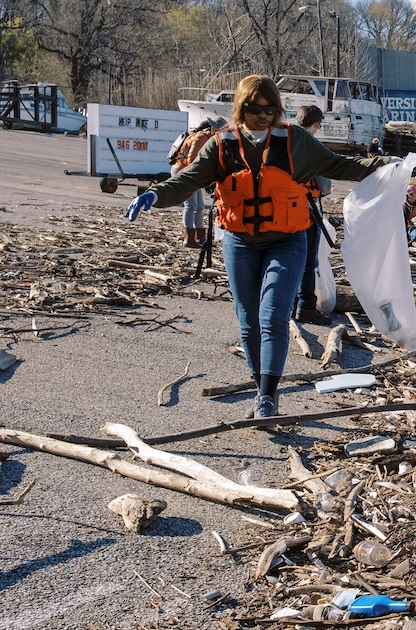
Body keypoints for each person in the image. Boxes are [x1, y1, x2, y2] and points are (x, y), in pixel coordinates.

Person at [124, 75, 392, 419]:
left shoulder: (296, 141)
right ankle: (258, 387)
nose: (264, 115)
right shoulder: (222, 145)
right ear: (242, 108)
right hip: (240, 243)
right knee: (248, 320)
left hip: (287, 241)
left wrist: (389, 166)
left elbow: (342, 166)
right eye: (255, 109)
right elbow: (187, 180)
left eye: (270, 109)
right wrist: (154, 194)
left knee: (273, 316)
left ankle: (267, 396)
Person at [293, 105, 333, 326]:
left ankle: (287, 305)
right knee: (308, 260)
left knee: (286, 258)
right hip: (306, 210)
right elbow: (324, 186)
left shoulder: (281, 140)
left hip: (279, 210)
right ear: (316, 124)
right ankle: (306, 307)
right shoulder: (312, 146)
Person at [168, 116, 224, 248]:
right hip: (184, 171)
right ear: (212, 129)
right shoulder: (200, 138)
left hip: (190, 172)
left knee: (199, 205)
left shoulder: (206, 138)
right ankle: (189, 239)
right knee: (191, 205)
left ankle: (200, 237)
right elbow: (193, 161)